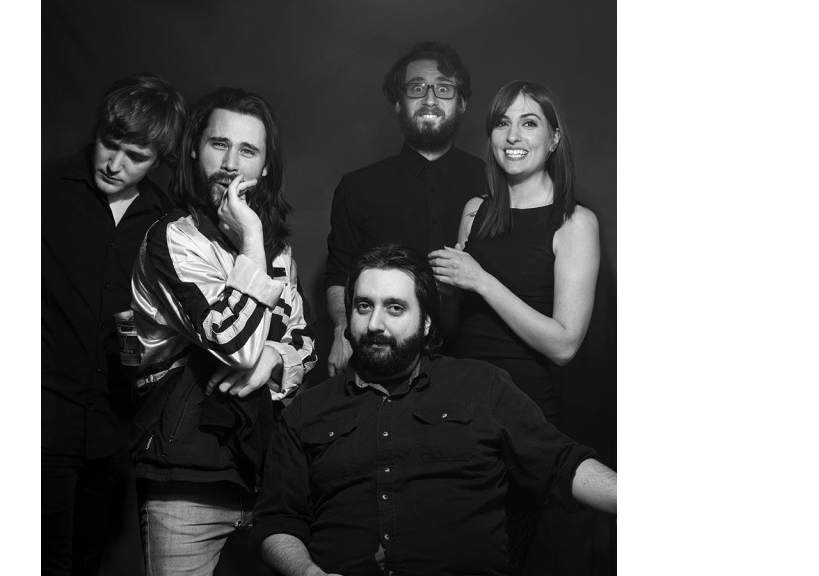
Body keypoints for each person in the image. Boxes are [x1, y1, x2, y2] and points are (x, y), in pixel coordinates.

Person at [253, 244, 615, 576]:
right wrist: (307, 572)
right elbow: (276, 522)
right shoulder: (308, 409)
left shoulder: (481, 385)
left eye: (395, 308)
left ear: (426, 321)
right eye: (364, 306)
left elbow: (561, 465)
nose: (375, 324)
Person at [130, 87, 316, 576]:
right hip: (185, 483)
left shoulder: (278, 252)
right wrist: (252, 240)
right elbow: (236, 345)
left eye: (248, 151)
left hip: (266, 477)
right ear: (195, 150)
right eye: (219, 144)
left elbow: (304, 341)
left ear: (266, 168)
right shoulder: (172, 238)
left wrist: (277, 359)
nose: (231, 164)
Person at [428, 80, 601, 574]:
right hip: (458, 408)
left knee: (507, 556)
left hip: (524, 415)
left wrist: (480, 281)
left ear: (554, 138)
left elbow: (564, 344)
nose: (513, 135)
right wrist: (444, 286)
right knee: (448, 553)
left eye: (529, 123)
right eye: (502, 123)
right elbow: (455, 323)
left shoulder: (574, 223)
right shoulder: (476, 210)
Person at [42, 73, 186, 576]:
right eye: (110, 143)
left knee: (88, 561)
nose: (114, 163)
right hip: (43, 410)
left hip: (113, 423)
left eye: (136, 156)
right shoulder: (43, 188)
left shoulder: (164, 221)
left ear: (158, 160)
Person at [325, 41, 486, 376]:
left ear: (462, 102)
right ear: (399, 102)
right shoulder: (356, 187)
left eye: (444, 88)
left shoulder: (492, 183)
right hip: (381, 361)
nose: (430, 99)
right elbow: (340, 275)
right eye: (416, 88)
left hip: (476, 363)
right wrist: (342, 329)